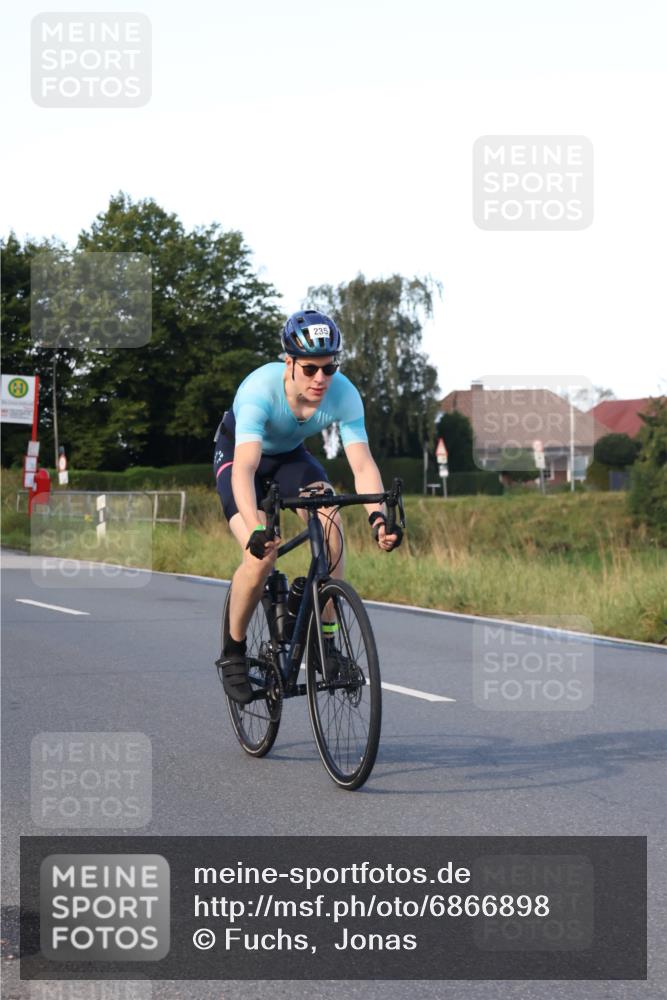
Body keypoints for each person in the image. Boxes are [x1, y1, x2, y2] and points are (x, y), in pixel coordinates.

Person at [214, 309, 402, 703]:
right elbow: (245, 470)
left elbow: (363, 463)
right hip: (240, 456)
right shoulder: (258, 391)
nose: (321, 379)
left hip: (291, 458)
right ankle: (233, 651)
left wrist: (378, 519)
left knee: (331, 526)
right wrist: (253, 528)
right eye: (311, 369)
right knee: (263, 556)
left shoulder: (344, 394)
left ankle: (326, 645)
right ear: (289, 362)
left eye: (330, 367)